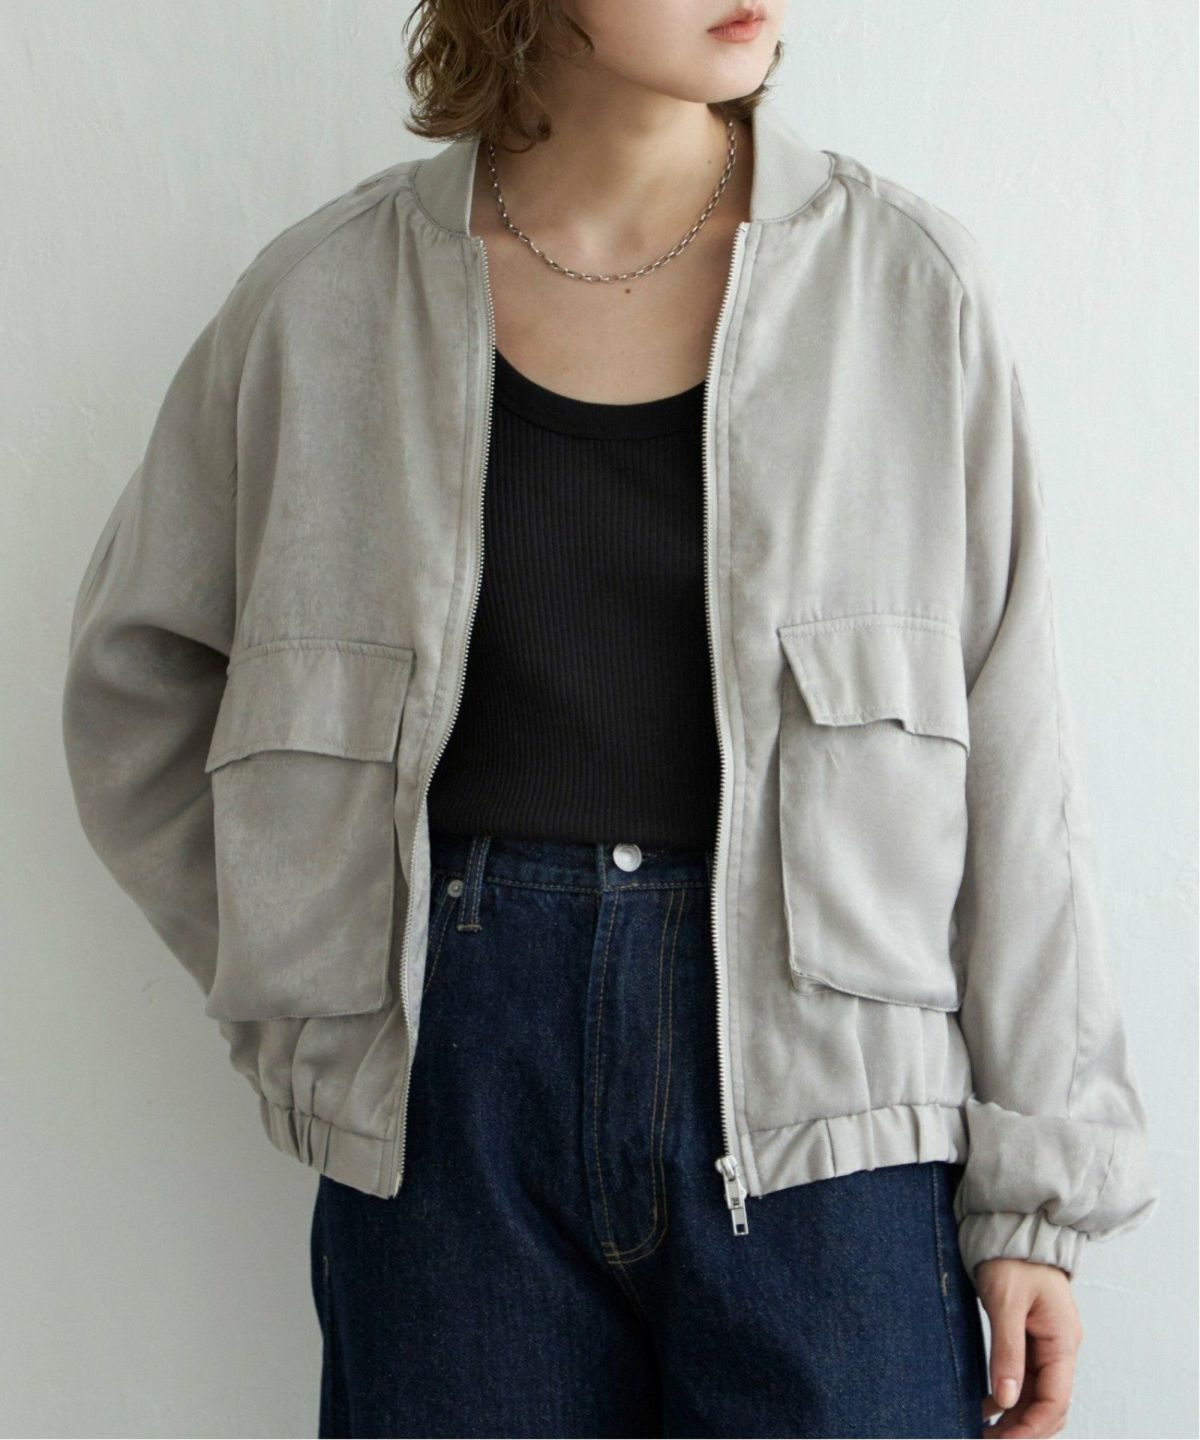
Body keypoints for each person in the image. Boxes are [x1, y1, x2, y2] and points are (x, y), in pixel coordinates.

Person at [61, 2, 1159, 1436]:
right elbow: (137, 684)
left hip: (835, 1112)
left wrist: (1035, 1199)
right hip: (454, 1109)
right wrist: (319, 971)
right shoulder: (327, 298)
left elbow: (1019, 776)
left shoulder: (902, 286)